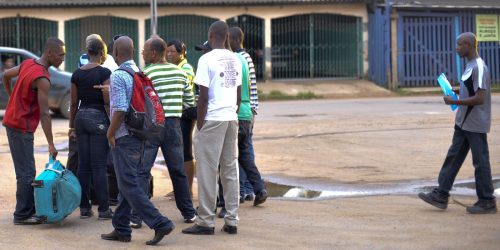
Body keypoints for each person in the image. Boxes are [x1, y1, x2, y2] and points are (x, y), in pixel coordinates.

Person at [100, 36, 174, 245]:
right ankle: (122, 228)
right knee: (128, 184)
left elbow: (121, 109)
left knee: (129, 185)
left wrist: (110, 133)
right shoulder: (139, 73)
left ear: (115, 52)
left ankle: (160, 223)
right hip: (140, 135)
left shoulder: (118, 76)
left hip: (124, 137)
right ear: (132, 52)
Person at [418, 32, 496, 214]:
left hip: (475, 124)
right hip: (463, 122)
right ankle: (441, 194)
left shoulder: (479, 67)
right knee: (453, 157)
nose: (456, 48)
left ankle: (487, 201)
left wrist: (454, 102)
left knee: (481, 161)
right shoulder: (469, 65)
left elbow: (479, 98)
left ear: (468, 45)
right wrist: (455, 91)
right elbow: (470, 90)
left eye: (460, 45)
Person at [129, 37, 196, 228]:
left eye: (144, 51)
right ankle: (189, 213)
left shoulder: (145, 74)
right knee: (177, 170)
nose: (142, 53)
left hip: (151, 126)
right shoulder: (180, 72)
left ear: (154, 53)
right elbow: (189, 102)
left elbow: (140, 101)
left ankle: (136, 216)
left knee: (142, 171)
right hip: (174, 126)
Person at [182, 20, 242, 235]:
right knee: (230, 169)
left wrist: (200, 124)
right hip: (230, 118)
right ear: (226, 36)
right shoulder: (235, 58)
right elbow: (238, 93)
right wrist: (232, 112)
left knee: (207, 170)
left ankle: (206, 221)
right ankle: (232, 220)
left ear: (211, 34)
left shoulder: (206, 59)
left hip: (213, 118)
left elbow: (203, 97)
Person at [2, 37, 64, 225]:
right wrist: (51, 144)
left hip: (14, 123)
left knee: (27, 169)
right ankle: (22, 215)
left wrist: (11, 96)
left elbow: (6, 74)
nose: (62, 58)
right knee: (26, 172)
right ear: (50, 53)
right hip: (20, 127)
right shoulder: (42, 78)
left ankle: (28, 209)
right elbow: (45, 113)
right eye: (60, 55)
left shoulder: (28, 63)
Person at [69, 38, 113, 220]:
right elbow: (107, 100)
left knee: (84, 165)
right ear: (102, 54)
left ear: (88, 54)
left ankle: (85, 209)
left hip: (80, 118)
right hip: (97, 118)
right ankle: (104, 210)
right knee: (99, 166)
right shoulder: (104, 72)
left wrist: (71, 126)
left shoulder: (76, 74)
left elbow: (73, 103)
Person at [229, 26, 267, 205]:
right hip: (247, 111)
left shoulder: (239, 59)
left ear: (235, 40)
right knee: (244, 153)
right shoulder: (246, 58)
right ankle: (255, 189)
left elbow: (241, 89)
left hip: (242, 111)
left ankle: (243, 190)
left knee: (236, 153)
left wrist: (247, 110)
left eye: (228, 39)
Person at [166, 38, 197, 197]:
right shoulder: (176, 67)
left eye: (172, 51)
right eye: (168, 51)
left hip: (185, 114)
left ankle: (189, 189)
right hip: (178, 114)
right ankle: (179, 188)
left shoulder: (186, 68)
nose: (169, 54)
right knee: (177, 152)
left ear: (182, 52)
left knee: (186, 152)